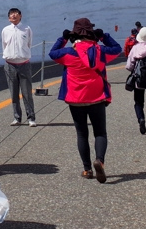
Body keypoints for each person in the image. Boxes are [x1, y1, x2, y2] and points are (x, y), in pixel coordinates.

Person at [50, 18, 122, 182]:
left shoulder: (68, 53)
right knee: (100, 132)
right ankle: (100, 161)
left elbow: (53, 53)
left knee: (82, 134)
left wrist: (63, 39)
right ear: (92, 33)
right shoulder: (100, 52)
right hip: (97, 97)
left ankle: (87, 169)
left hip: (76, 99)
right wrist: (104, 36)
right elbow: (117, 49)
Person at [1, 7, 36, 127]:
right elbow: (4, 45)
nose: (13, 15)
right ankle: (17, 117)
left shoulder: (26, 29)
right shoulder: (5, 30)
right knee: (13, 93)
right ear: (8, 17)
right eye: (11, 14)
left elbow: (29, 43)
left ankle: (31, 118)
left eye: (16, 13)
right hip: (10, 65)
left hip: (24, 64)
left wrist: (23, 55)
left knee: (27, 93)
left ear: (20, 16)